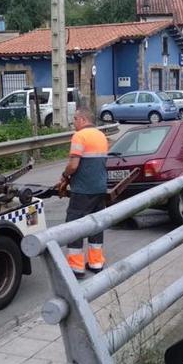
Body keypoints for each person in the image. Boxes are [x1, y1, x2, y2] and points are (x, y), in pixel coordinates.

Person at [57, 109, 108, 278]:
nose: (74, 122)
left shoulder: (79, 136)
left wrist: (64, 176)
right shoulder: (101, 136)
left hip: (83, 190)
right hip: (100, 188)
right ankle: (96, 262)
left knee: (75, 226)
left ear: (83, 119)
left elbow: (73, 165)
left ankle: (76, 267)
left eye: (75, 118)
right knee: (96, 224)